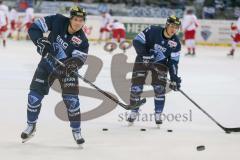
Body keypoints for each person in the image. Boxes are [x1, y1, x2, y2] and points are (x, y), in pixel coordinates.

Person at [20, 6, 89, 146]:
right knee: (33, 97)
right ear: (71, 18)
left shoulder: (82, 40)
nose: (78, 23)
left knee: (72, 101)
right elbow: (34, 28)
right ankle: (31, 126)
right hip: (47, 64)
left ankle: (76, 131)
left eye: (81, 20)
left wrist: (71, 65)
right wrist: (40, 41)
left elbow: (79, 59)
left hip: (66, 71)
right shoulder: (57, 20)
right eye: (76, 19)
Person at [127, 15, 182, 127]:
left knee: (159, 88)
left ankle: (158, 114)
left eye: (176, 27)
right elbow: (137, 41)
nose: (174, 29)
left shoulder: (176, 43)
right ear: (167, 25)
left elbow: (173, 63)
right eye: (172, 26)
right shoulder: (153, 30)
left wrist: (174, 78)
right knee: (136, 87)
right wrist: (145, 55)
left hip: (160, 63)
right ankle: (134, 111)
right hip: (143, 59)